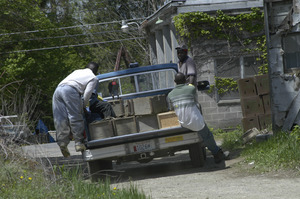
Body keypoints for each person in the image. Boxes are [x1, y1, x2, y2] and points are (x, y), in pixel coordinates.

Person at [167, 72, 225, 163]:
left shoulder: (170, 95)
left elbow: (171, 109)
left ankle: (216, 152)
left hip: (182, 123)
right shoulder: (191, 89)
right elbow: (195, 100)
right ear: (185, 79)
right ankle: (217, 154)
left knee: (203, 134)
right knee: (208, 136)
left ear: (175, 81)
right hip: (195, 120)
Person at [52, 62, 99, 157]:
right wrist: (83, 106)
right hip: (70, 90)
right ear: (96, 71)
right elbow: (87, 93)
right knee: (75, 116)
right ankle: (79, 143)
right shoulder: (93, 77)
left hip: (58, 90)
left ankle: (62, 143)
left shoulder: (77, 71)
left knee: (60, 118)